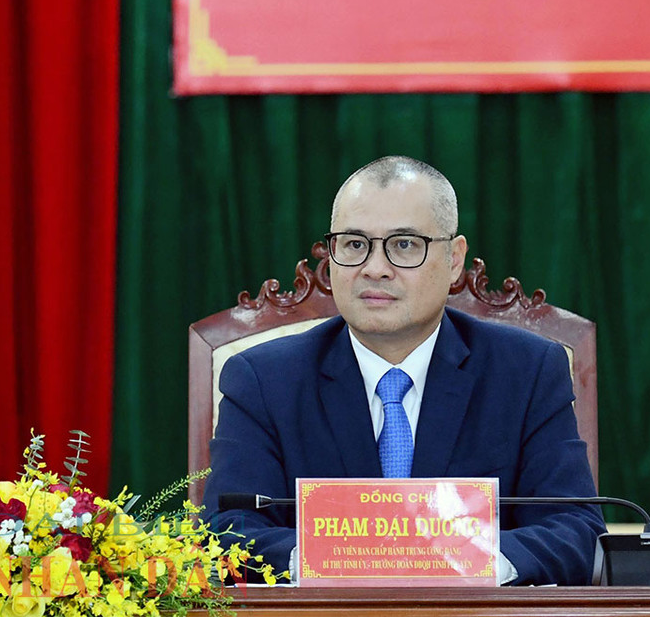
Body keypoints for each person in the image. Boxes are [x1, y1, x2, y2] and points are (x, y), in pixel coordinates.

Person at [203, 156, 602, 585]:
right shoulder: (263, 379)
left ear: (453, 259)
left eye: (405, 245)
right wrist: (341, 561)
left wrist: (462, 561)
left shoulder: (526, 372)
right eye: (355, 244)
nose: (374, 267)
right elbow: (225, 532)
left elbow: (575, 531)